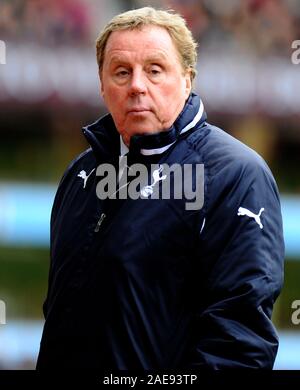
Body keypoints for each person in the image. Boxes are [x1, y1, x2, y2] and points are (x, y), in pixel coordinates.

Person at [37, 7, 284, 370]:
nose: (137, 85)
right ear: (102, 85)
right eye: (122, 72)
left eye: (154, 70)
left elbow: (239, 344)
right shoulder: (81, 174)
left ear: (187, 79)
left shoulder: (235, 175)